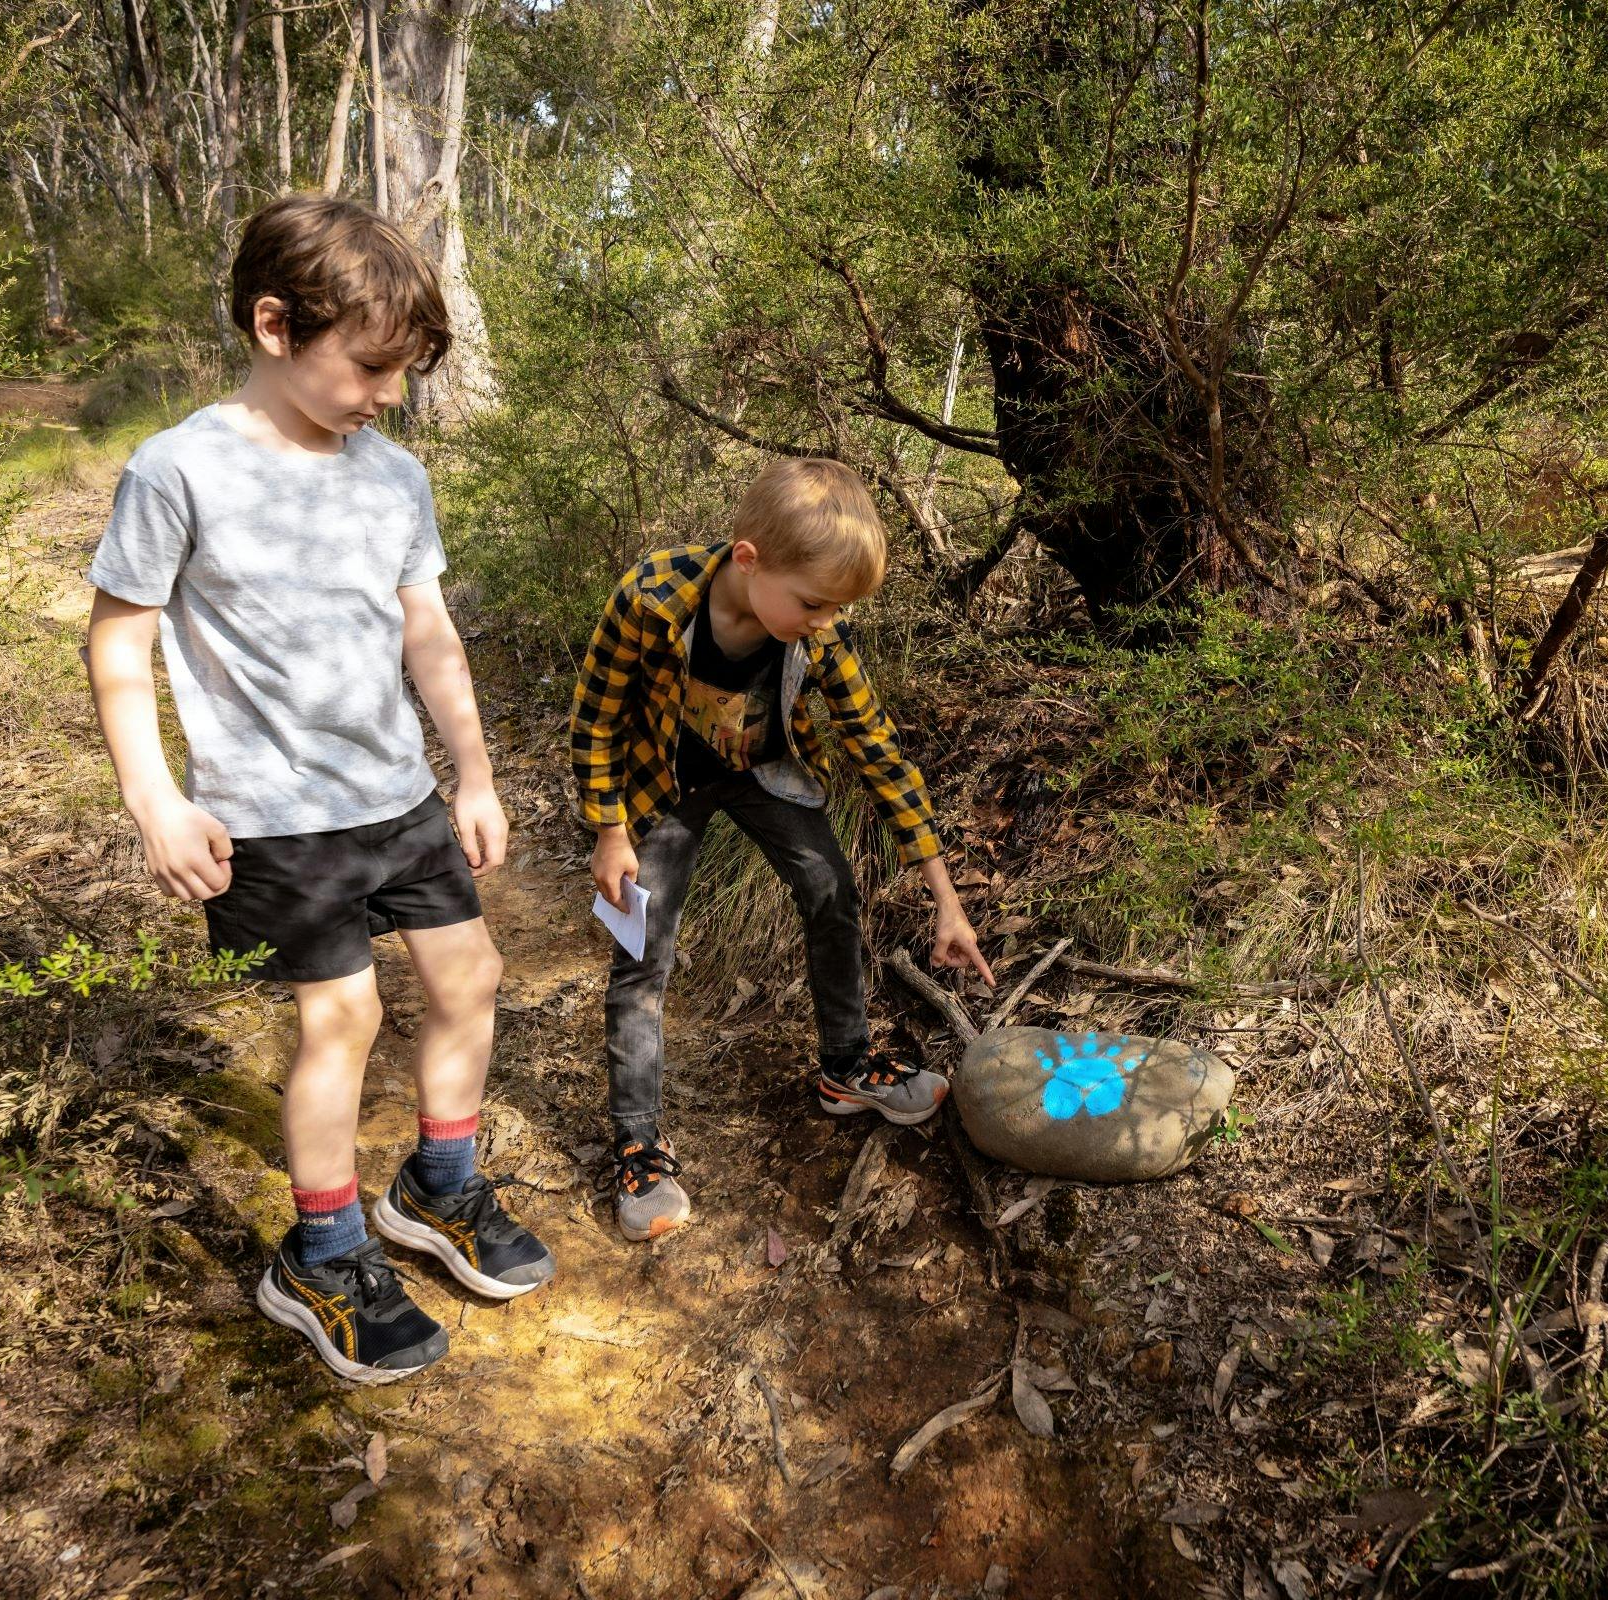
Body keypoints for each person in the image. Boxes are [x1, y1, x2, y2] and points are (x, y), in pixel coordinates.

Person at [83, 195, 552, 1385]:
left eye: (404, 371)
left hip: (396, 793)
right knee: (344, 1018)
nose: (389, 394)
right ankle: (323, 1254)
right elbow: (119, 640)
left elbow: (426, 629)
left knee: (471, 975)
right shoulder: (179, 469)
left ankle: (437, 1186)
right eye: (371, 366)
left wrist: (474, 771)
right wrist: (156, 802)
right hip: (276, 817)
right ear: (274, 324)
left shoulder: (394, 477)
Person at [571, 457, 999, 1241]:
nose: (825, 621)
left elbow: (877, 750)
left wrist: (946, 898)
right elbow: (596, 718)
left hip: (764, 773)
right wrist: (608, 832)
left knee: (831, 889)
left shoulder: (819, 633)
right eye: (812, 603)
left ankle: (847, 1066)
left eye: (838, 608)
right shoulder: (651, 596)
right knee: (641, 951)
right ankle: (637, 1142)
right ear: (748, 559)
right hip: (657, 788)